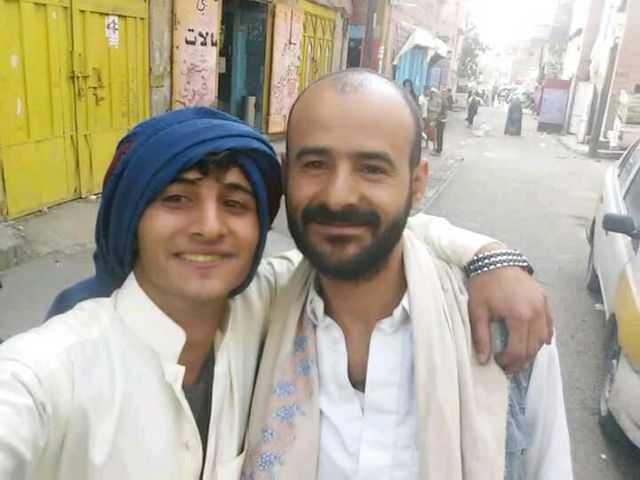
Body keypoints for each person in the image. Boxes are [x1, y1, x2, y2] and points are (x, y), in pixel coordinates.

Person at [0, 107, 553, 479]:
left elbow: (374, 232)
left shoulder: (262, 303)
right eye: (176, 199)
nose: (210, 227)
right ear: (130, 220)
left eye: (235, 204)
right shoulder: (52, 369)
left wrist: (491, 256)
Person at [242, 70, 571, 479]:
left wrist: (490, 256)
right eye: (315, 164)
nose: (338, 196)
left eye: (372, 169)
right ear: (286, 175)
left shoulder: (508, 327)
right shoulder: (253, 319)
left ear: (417, 184)